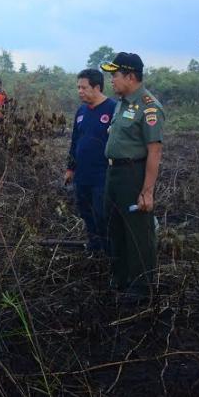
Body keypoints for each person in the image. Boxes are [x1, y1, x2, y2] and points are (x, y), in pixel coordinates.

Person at [101, 52, 165, 299]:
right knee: (114, 226)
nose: (112, 81)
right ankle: (121, 278)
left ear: (130, 76)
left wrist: (147, 191)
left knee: (138, 231)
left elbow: (154, 151)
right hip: (114, 173)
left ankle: (141, 287)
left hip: (133, 174)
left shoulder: (150, 107)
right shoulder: (122, 103)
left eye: (115, 75)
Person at [64, 68, 116, 253]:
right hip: (82, 175)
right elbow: (75, 141)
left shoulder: (113, 109)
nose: (80, 91)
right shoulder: (81, 111)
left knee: (102, 214)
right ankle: (94, 247)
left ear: (97, 87)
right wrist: (70, 168)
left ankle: (109, 251)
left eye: (83, 87)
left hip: (103, 175)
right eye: (78, 87)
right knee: (85, 212)